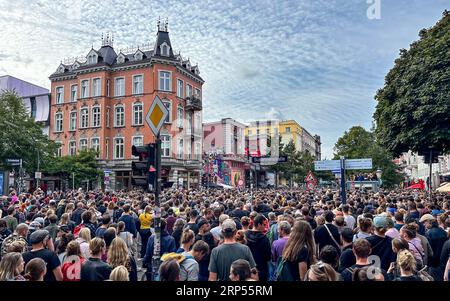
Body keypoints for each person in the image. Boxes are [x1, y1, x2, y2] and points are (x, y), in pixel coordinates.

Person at [245, 214, 271, 281]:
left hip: (247, 267)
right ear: (259, 224)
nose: (265, 227)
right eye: (264, 225)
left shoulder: (245, 235)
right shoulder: (264, 238)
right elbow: (268, 256)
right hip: (261, 268)